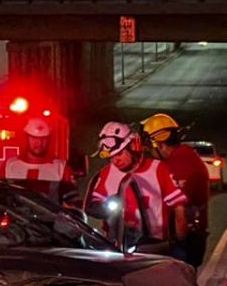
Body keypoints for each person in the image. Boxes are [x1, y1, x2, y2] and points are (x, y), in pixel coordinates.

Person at [88, 121, 189, 249]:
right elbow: (94, 204)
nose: (115, 160)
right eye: (111, 157)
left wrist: (180, 242)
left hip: (155, 247)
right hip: (119, 247)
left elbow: (179, 208)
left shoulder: (158, 169)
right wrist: (108, 209)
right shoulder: (107, 173)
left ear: (133, 146)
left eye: (119, 154)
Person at [143, 113, 210, 267]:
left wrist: (178, 241)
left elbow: (179, 208)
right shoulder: (185, 155)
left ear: (159, 145)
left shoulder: (178, 164)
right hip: (189, 234)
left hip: (184, 238)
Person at [1, 117, 77, 204]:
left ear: (49, 140)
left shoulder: (62, 168)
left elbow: (73, 203)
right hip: (16, 217)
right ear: (27, 138)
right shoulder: (9, 166)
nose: (39, 143)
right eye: (34, 138)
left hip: (49, 217)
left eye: (43, 139)